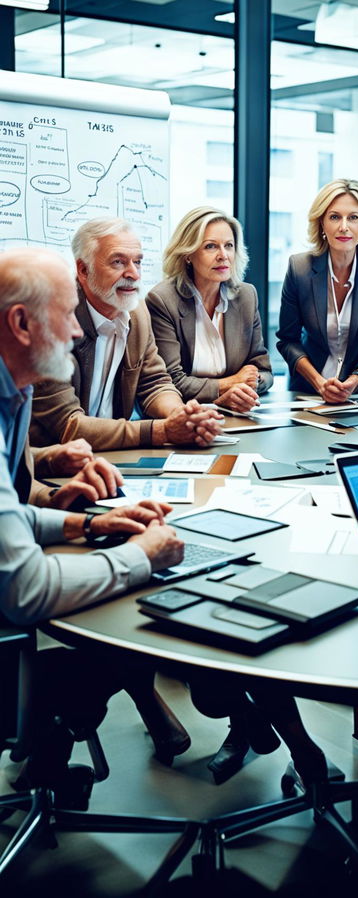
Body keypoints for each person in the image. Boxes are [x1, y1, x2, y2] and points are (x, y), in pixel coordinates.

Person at [0, 246, 187, 802]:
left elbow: (7, 513)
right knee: (123, 630)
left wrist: (86, 526)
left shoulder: (15, 390)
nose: (77, 332)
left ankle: (49, 758)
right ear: (21, 323)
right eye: (65, 313)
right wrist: (142, 555)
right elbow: (25, 590)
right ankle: (48, 749)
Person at [29, 218, 223, 450]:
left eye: (137, 262)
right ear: (83, 269)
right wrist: (162, 430)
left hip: (113, 455)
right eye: (118, 262)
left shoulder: (136, 311)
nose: (134, 274)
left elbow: (155, 382)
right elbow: (68, 425)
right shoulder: (54, 321)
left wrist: (182, 415)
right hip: (52, 465)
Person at [276, 178, 358, 401]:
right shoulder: (299, 268)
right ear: (322, 223)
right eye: (334, 217)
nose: (344, 226)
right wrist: (319, 382)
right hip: (308, 392)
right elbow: (287, 340)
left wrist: (356, 379)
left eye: (353, 218)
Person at [145, 207, 272, 415]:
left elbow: (264, 370)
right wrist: (228, 385)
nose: (223, 256)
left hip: (237, 414)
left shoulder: (246, 296)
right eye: (211, 246)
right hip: (185, 415)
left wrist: (250, 384)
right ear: (188, 254)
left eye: (229, 246)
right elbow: (170, 380)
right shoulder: (162, 300)